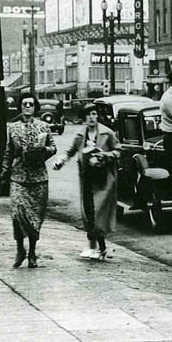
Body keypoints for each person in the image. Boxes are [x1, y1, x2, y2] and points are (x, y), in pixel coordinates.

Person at [54, 104, 119, 259]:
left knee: (98, 213)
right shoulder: (79, 135)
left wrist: (104, 156)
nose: (91, 117)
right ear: (84, 118)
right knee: (89, 213)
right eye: (88, 114)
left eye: (94, 114)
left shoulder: (107, 133)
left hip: (103, 180)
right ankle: (96, 248)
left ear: (97, 116)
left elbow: (118, 151)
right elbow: (70, 151)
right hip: (87, 179)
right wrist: (61, 161)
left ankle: (100, 248)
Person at [1, 94, 57, 268]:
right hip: (18, 177)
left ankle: (32, 252)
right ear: (20, 107)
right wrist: (4, 172)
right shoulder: (13, 128)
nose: (27, 107)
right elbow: (8, 152)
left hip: (38, 178)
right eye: (24, 104)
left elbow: (53, 148)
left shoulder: (44, 127)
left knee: (34, 218)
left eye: (31, 104)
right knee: (17, 215)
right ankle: (20, 249)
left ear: (35, 107)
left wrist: (43, 151)